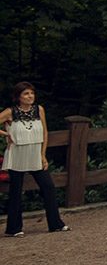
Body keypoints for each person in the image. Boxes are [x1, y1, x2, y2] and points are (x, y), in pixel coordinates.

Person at [2, 82, 68, 237]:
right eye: (26, 94)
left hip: (35, 154)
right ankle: (14, 228)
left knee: (48, 187)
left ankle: (55, 224)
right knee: (16, 192)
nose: (30, 96)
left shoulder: (39, 110)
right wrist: (6, 134)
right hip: (17, 155)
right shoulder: (10, 112)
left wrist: (43, 155)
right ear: (18, 96)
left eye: (31, 93)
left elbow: (45, 133)